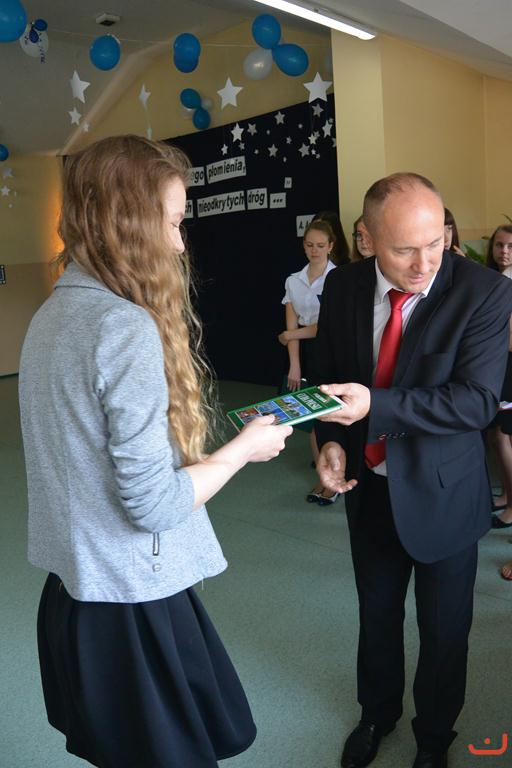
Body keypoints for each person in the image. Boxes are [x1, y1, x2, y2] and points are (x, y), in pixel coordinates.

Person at [18, 135, 293, 768]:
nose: (178, 244)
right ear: (131, 227)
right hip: (130, 602)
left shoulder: (52, 316)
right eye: (172, 223)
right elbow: (155, 504)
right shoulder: (122, 326)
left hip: (76, 591)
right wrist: (242, 451)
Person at [311, 172, 512, 768]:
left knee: (445, 630)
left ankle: (434, 738)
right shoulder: (344, 286)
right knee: (376, 616)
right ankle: (377, 714)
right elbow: (328, 375)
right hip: (369, 489)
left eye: (436, 242)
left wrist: (375, 406)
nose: (425, 263)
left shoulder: (482, 292)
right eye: (404, 250)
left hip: (445, 493)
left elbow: (476, 402)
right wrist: (331, 441)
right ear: (368, 239)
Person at [279, 219, 337, 505]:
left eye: (321, 245)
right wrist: (295, 364)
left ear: (331, 246)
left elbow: (325, 326)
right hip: (309, 351)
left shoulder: (339, 277)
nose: (315, 250)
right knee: (314, 416)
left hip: (335, 349)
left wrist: (290, 335)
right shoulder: (293, 280)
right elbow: (291, 325)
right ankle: (324, 478)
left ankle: (337, 479)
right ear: (303, 246)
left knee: (333, 416)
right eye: (310, 245)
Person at [484, 225, 512, 528]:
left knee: (504, 437)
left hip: (508, 367)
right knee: (496, 436)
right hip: (498, 366)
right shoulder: (495, 278)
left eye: (511, 246)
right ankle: (506, 494)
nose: (504, 251)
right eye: (499, 245)